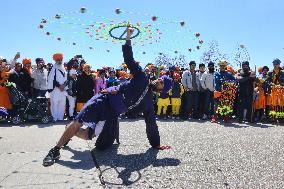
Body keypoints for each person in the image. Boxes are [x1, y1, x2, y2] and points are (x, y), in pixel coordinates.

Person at [43, 27, 171, 167]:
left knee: (92, 139)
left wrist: (156, 144)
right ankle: (55, 150)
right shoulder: (141, 77)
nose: (159, 80)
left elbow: (151, 124)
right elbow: (129, 59)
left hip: (112, 114)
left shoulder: (148, 104)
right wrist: (128, 37)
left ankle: (69, 129)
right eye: (161, 79)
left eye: (162, 83)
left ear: (161, 90)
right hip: (104, 100)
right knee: (79, 121)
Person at [47, 53, 67, 122]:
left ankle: (60, 118)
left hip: (63, 90)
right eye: (58, 60)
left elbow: (66, 79)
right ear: (55, 61)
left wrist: (64, 85)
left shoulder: (63, 69)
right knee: (54, 103)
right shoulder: (53, 69)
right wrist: (59, 86)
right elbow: (52, 79)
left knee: (62, 103)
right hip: (55, 89)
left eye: (61, 59)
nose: (60, 61)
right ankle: (54, 118)